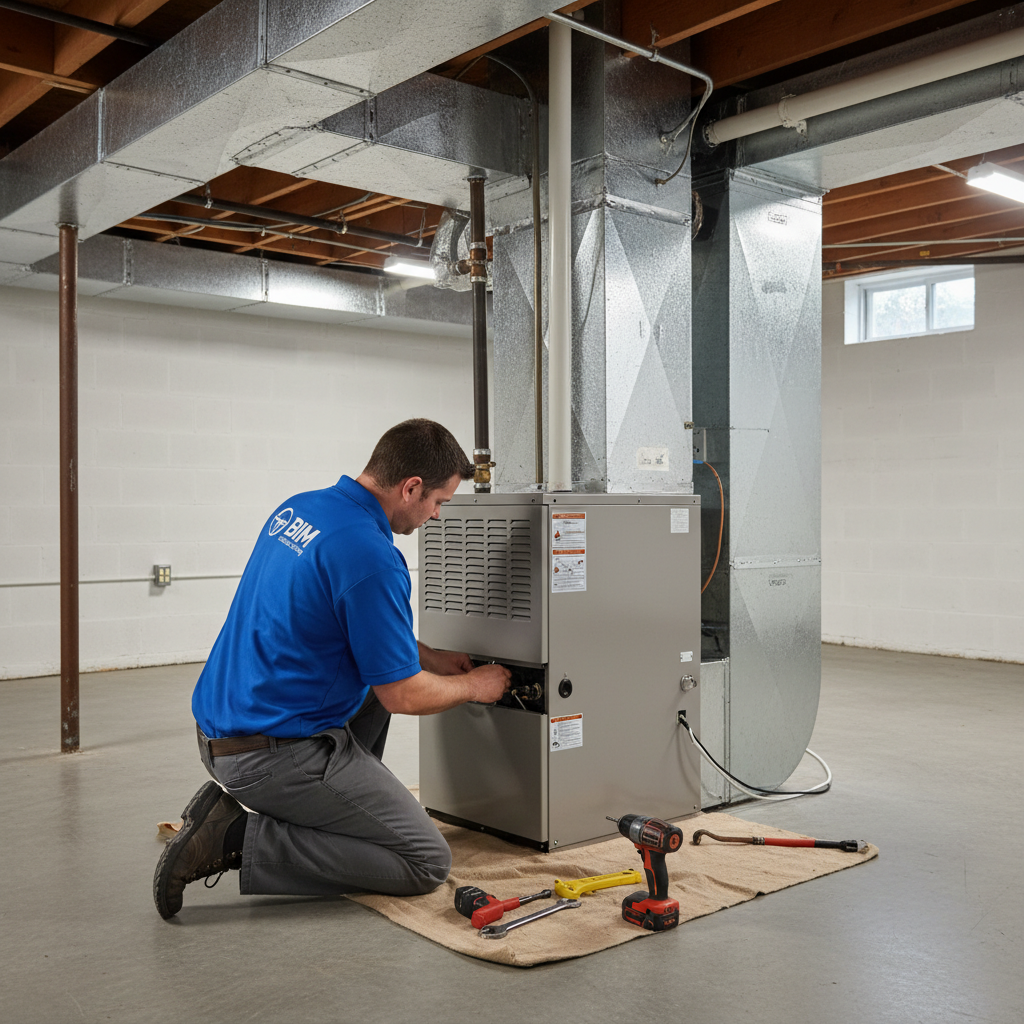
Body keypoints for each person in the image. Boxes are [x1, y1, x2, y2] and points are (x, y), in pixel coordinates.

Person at [153, 419, 511, 920]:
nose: (435, 515)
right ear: (411, 488)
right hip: (266, 757)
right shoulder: (374, 555)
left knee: (377, 677)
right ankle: (235, 835)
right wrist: (474, 685)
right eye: (438, 502)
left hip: (221, 728)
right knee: (424, 860)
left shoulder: (302, 508)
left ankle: (348, 805)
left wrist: (427, 657)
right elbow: (403, 696)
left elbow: (339, 618)